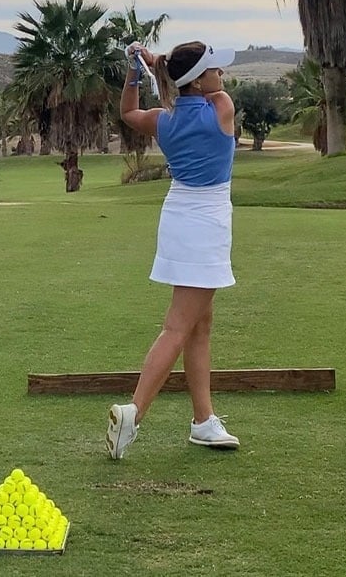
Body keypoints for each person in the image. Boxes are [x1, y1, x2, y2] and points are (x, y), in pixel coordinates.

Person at [106, 40, 241, 460]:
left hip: (179, 219)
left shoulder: (164, 120)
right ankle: (134, 412)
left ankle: (204, 421)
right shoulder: (222, 108)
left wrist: (140, 69)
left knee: (200, 325)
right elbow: (214, 92)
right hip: (206, 226)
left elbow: (128, 112)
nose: (221, 75)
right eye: (214, 69)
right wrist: (158, 65)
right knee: (178, 327)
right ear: (200, 80)